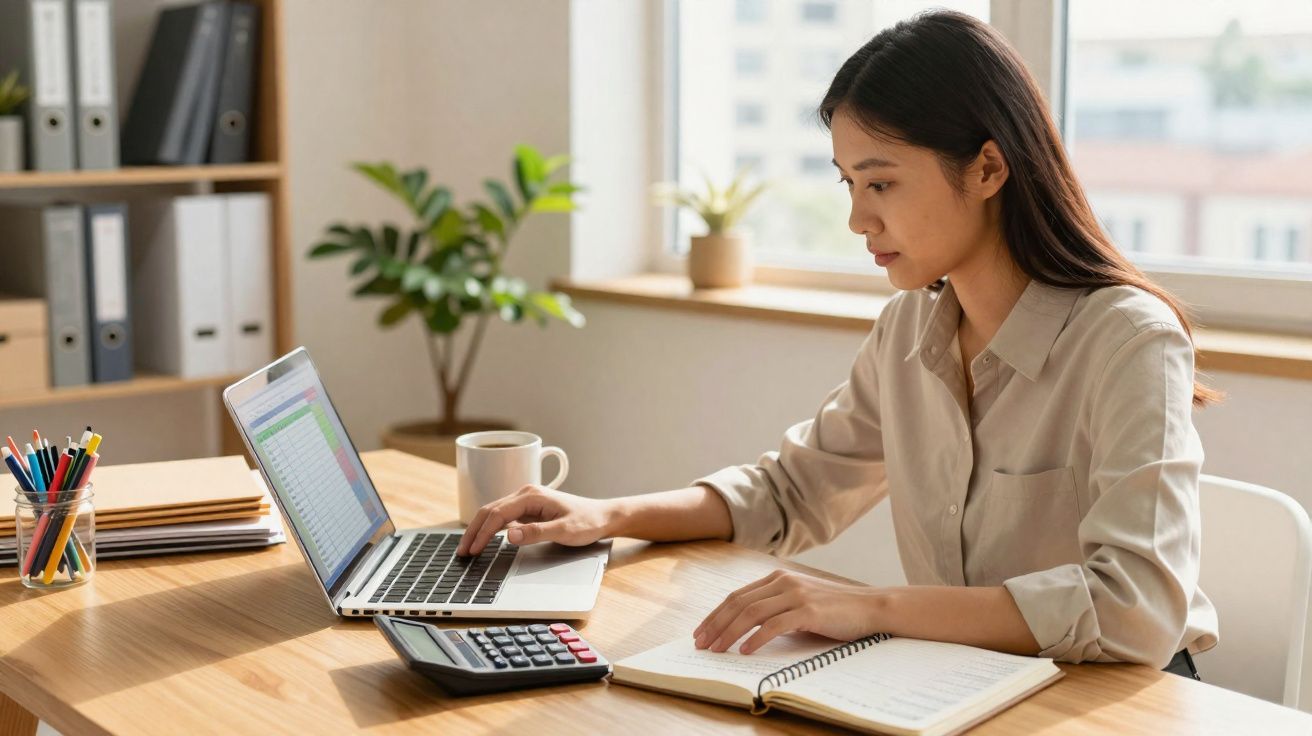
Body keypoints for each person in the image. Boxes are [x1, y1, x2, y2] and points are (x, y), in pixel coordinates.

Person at [456, 10, 1217, 679]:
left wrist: (869, 605)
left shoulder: (1128, 341)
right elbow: (791, 492)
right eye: (846, 183)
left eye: (881, 183)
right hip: (967, 682)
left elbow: (1136, 611)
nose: (857, 219)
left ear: (988, 167)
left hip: (1112, 698)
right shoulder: (911, 331)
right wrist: (608, 516)